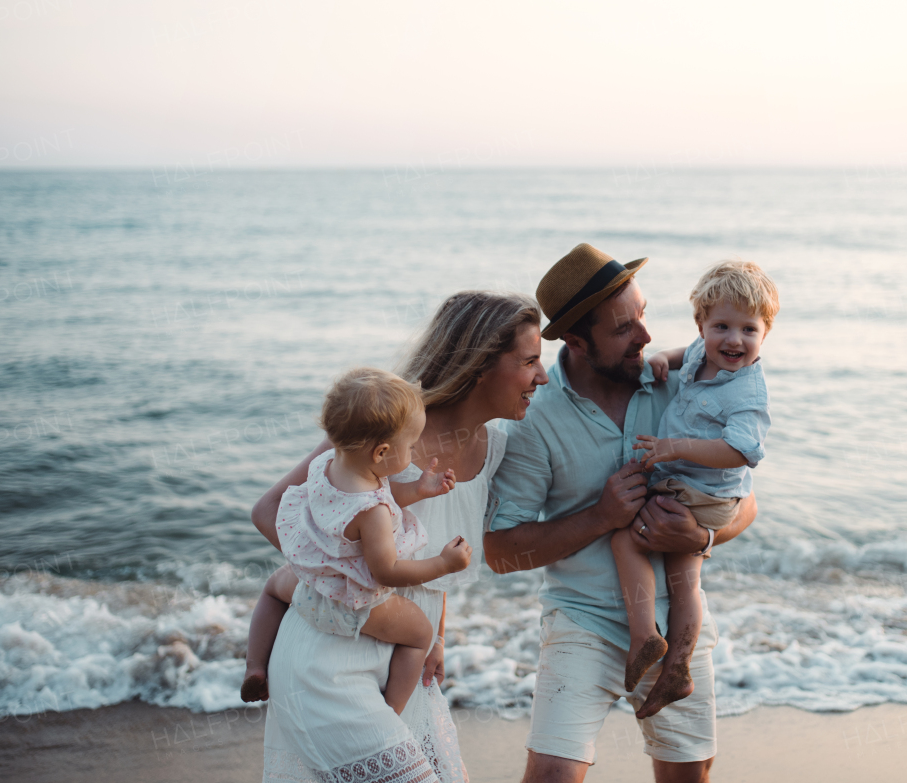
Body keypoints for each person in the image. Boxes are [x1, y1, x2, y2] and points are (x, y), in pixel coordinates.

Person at [484, 244, 759, 783]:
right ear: (578, 342)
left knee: (687, 776)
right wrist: (600, 516)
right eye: (623, 328)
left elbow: (746, 503)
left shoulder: (683, 386)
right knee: (551, 777)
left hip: (677, 620)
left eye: (644, 314)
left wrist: (699, 536)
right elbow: (499, 552)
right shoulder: (534, 416)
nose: (646, 337)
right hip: (580, 620)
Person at [255, 291, 547, 783]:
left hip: (406, 673)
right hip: (328, 666)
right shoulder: (382, 431)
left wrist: (438, 634)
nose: (542, 376)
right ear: (479, 366)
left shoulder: (493, 449)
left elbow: (436, 553)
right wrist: (348, 590)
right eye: (530, 361)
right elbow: (270, 512)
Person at [240, 366, 473, 715]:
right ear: (380, 453)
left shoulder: (326, 465)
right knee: (419, 635)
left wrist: (419, 489)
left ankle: (255, 665)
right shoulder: (373, 511)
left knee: (273, 588)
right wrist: (444, 563)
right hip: (348, 606)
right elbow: (387, 571)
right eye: (409, 446)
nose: (412, 453)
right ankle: (393, 710)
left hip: (308, 586)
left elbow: (369, 497)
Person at [615, 260, 777, 719]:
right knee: (674, 572)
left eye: (749, 329)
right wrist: (662, 362)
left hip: (707, 494)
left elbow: (742, 451)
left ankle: (656, 645)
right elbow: (682, 353)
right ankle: (665, 657)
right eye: (721, 326)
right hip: (691, 486)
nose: (734, 340)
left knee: (637, 547)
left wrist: (672, 447)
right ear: (701, 326)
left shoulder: (747, 391)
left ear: (765, 333)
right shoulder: (699, 355)